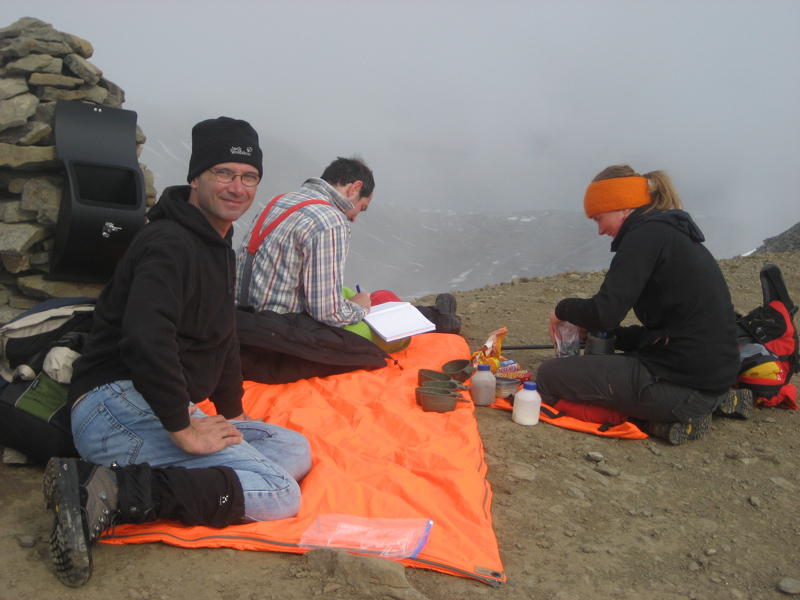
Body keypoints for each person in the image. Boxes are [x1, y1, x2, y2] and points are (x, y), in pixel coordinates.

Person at [44, 117, 312, 588]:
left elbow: (223, 333)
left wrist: (231, 414)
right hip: (112, 405)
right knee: (278, 491)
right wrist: (183, 429)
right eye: (223, 173)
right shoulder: (168, 243)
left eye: (248, 177)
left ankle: (144, 470)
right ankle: (103, 489)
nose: (237, 187)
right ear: (196, 177)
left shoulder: (218, 244)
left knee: (293, 449)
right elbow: (146, 338)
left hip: (149, 400)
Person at [537, 164, 747, 445]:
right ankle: (711, 401)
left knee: (550, 376)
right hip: (709, 374)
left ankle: (662, 417)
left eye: (599, 218)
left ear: (621, 206)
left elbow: (603, 313)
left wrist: (562, 309)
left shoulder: (643, 238)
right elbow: (669, 329)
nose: (600, 230)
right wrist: (611, 337)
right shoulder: (668, 232)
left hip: (682, 385)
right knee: (605, 361)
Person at [234, 157, 460, 381]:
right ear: (355, 188)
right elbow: (327, 313)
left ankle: (426, 313)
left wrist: (353, 303)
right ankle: (437, 320)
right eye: (361, 208)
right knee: (390, 335)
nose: (354, 218)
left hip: (247, 316)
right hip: (283, 330)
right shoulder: (329, 220)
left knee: (354, 294)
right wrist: (358, 310)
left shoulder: (281, 201)